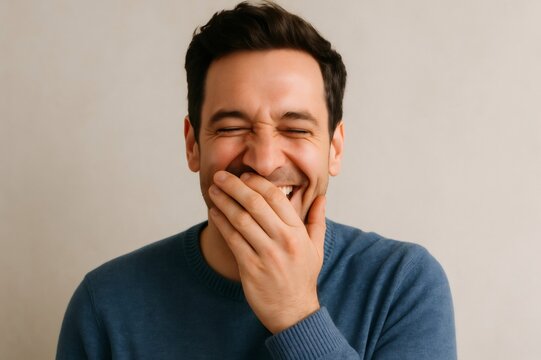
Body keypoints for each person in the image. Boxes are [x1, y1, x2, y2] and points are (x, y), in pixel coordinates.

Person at [56, 2, 456, 359]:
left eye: (296, 129)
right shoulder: (105, 304)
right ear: (193, 145)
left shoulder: (402, 284)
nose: (263, 162)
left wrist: (296, 313)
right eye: (231, 127)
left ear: (334, 149)